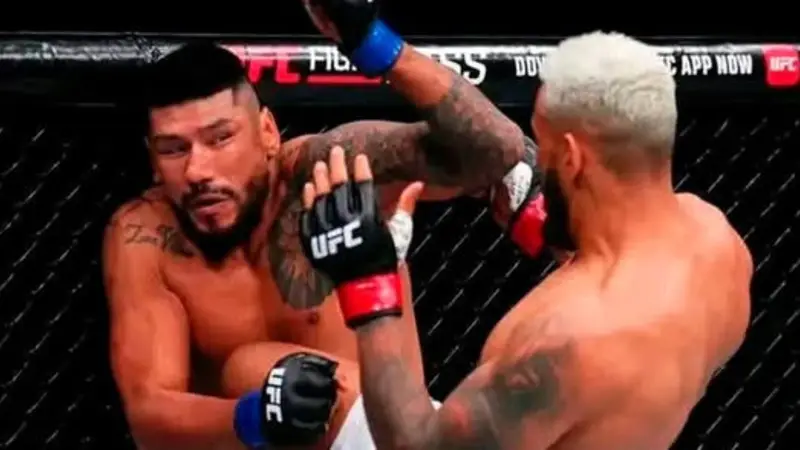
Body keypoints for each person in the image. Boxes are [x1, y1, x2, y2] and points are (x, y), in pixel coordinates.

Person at [101, 1, 548, 448]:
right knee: (250, 370)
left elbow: (496, 148)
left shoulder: (326, 171)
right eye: (174, 149)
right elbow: (149, 415)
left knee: (251, 366)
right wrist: (258, 416)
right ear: (152, 160)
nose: (197, 170)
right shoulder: (146, 235)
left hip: (397, 436)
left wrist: (376, 45)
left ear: (268, 133)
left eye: (221, 139)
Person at [299, 31, 753, 450]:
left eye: (543, 145)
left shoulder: (558, 344)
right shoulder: (719, 244)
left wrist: (370, 283)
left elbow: (414, 445)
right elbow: (636, 317)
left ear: (571, 158)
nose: (538, 165)